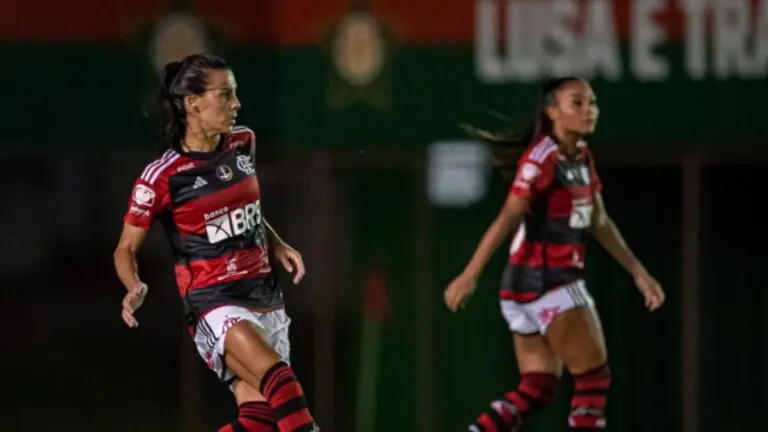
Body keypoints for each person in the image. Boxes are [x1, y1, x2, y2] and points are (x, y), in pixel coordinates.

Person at [444, 77, 665, 432]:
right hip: (550, 283)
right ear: (552, 112)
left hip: (520, 290)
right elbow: (508, 216)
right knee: (593, 379)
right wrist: (469, 274)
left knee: (537, 389)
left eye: (592, 102)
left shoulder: (580, 157)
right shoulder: (542, 158)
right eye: (577, 103)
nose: (589, 110)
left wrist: (638, 271)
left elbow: (599, 220)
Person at [113, 54, 320, 432]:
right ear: (192, 103)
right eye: (225, 95)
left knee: (261, 421)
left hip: (265, 295)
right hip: (214, 301)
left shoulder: (242, 142)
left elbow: (248, 210)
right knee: (282, 384)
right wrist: (134, 285)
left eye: (236, 94)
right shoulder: (162, 175)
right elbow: (125, 248)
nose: (236, 104)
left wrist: (277, 244)